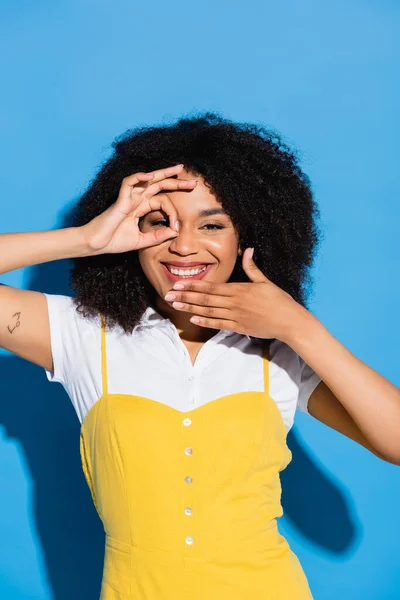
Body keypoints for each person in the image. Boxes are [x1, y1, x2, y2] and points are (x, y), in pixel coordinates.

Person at [1, 112, 399, 599]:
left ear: (247, 239)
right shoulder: (83, 334)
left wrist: (298, 326)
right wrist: (86, 239)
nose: (184, 245)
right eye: (159, 223)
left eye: (212, 224)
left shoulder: (284, 351)